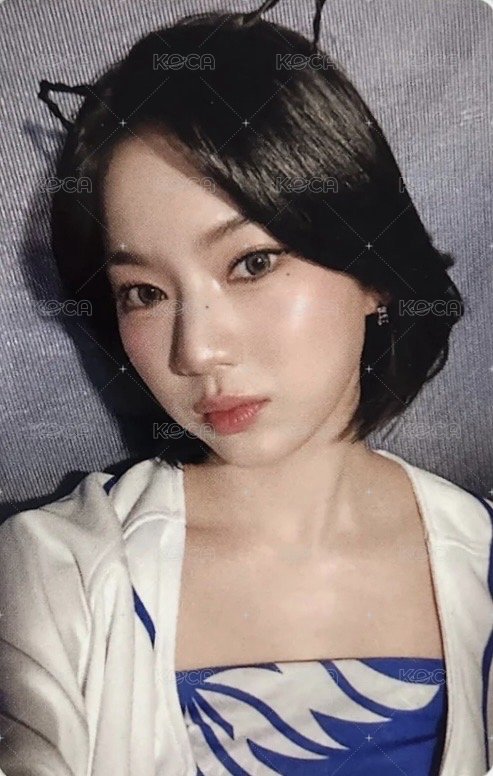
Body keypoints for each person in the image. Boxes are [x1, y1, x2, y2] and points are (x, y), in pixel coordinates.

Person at [1, 1, 492, 774]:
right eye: (143, 293)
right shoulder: (54, 575)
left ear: (373, 271)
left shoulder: (481, 562)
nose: (196, 350)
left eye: (252, 264)